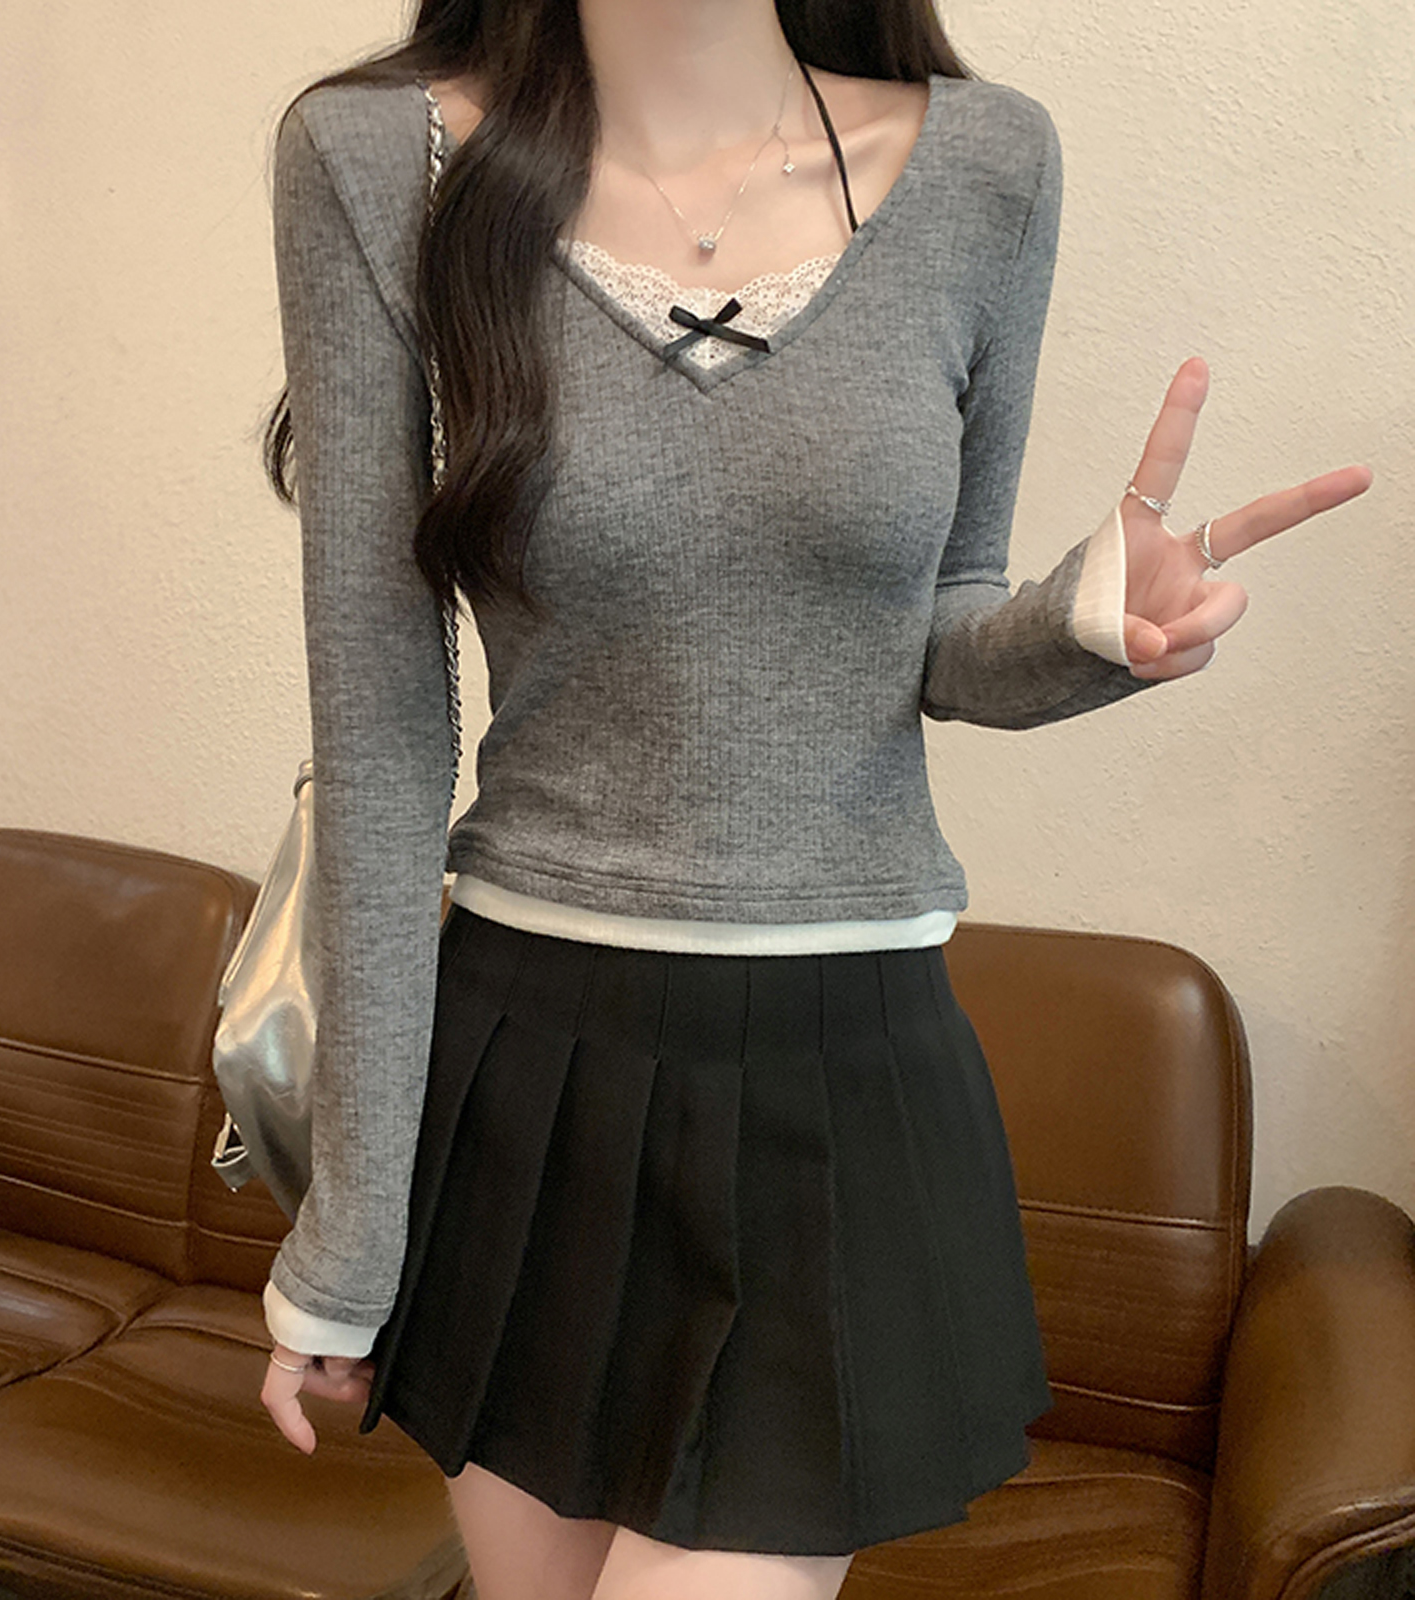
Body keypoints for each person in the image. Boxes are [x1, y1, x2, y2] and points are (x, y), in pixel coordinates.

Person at [252, 3, 1372, 1596]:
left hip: (836, 1077)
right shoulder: (377, 159)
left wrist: (1080, 630)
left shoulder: (988, 165)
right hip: (529, 1073)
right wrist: (350, 1233)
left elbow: (941, 630)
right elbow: (378, 731)